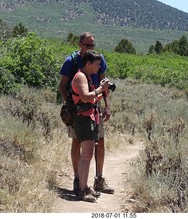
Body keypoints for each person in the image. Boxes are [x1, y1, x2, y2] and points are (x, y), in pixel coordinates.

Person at [59, 32, 114, 196]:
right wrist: (70, 105)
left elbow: (104, 82)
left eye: (92, 45)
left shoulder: (98, 59)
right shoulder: (72, 61)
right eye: (87, 45)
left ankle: (98, 179)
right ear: (80, 44)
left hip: (94, 105)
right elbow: (62, 85)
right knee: (77, 142)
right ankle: (78, 181)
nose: (90, 47)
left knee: (99, 141)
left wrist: (107, 105)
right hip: (80, 107)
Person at [70, 50, 110, 202]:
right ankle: (82, 190)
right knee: (86, 155)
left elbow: (90, 98)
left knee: (87, 154)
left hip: (89, 118)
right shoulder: (80, 76)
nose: (99, 67)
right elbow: (85, 97)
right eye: (97, 64)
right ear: (88, 63)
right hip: (83, 119)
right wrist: (100, 90)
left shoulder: (86, 77)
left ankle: (84, 187)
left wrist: (103, 91)